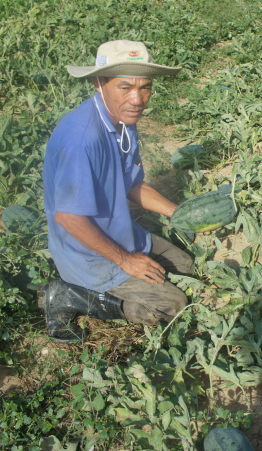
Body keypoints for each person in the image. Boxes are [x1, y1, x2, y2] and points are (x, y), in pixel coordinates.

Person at [41, 40, 193, 342]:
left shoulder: (122, 120)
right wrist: (126, 260)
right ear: (100, 83)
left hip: (122, 234)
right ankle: (70, 295)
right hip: (88, 254)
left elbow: (131, 185)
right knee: (173, 306)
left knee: (187, 266)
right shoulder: (81, 140)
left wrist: (181, 215)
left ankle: (128, 262)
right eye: (125, 88)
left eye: (145, 87)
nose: (137, 99)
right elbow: (69, 218)